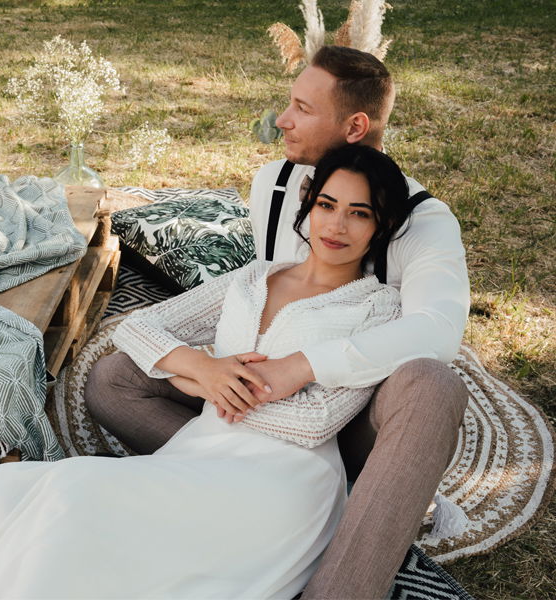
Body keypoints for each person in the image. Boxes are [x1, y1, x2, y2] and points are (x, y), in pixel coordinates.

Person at [0, 144, 413, 599]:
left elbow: (317, 422)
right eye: (328, 204)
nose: (336, 225)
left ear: (381, 225)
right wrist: (201, 365)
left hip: (285, 487)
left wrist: (225, 389)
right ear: (308, 204)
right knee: (16, 490)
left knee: (74, 496)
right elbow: (137, 328)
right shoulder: (257, 278)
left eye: (359, 214)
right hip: (203, 453)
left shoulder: (376, 307)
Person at [85, 46, 470, 599]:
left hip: (351, 408)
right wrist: (208, 371)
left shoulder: (425, 221)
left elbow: (436, 333)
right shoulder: (276, 182)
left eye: (301, 108)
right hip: (250, 395)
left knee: (433, 386)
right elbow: (264, 287)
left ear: (354, 126)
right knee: (113, 378)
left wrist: (303, 366)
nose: (281, 120)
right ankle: (225, 489)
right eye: (325, 206)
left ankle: (344, 570)